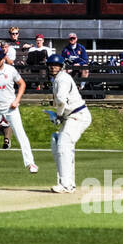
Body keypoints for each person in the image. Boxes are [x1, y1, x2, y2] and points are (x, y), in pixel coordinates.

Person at [0, 47, 39, 174]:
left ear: (4, 58)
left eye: (0, 58)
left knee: (21, 134)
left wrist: (16, 101)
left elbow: (22, 84)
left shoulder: (11, 70)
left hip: (11, 107)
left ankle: (31, 164)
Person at [47, 56, 90, 193]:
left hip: (78, 115)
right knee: (57, 141)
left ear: (62, 66)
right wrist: (58, 115)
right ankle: (66, 182)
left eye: (56, 65)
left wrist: (58, 116)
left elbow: (61, 101)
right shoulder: (57, 79)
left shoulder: (63, 79)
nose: (53, 67)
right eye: (51, 65)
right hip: (70, 116)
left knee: (63, 144)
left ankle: (66, 184)